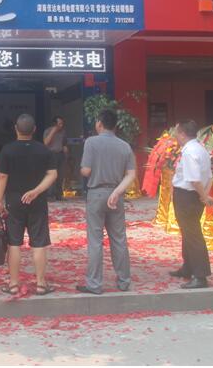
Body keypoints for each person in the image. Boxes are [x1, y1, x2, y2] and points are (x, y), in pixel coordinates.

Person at [0, 114, 57, 296]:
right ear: (34, 130)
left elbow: (2, 176)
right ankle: (41, 284)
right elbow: (52, 174)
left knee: (14, 243)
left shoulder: (8, 150)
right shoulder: (44, 150)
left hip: (14, 202)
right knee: (39, 243)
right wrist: (36, 191)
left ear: (16, 129)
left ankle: (13, 284)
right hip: (38, 202)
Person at [77, 109, 136, 295]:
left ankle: (94, 284)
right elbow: (131, 174)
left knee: (95, 240)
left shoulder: (91, 142)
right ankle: (124, 281)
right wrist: (117, 192)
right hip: (116, 195)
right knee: (119, 239)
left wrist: (82, 169)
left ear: (100, 124)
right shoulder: (125, 146)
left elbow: (86, 171)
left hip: (96, 194)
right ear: (115, 125)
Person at [170, 119, 213, 289]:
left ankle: (200, 275)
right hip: (194, 196)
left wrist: (204, 196)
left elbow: (194, 179)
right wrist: (204, 195)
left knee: (193, 234)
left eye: (176, 133)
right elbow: (209, 176)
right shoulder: (201, 149)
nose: (175, 136)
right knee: (188, 232)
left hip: (187, 196)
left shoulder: (189, 151)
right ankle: (188, 267)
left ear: (182, 134)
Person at [44, 116, 68, 200]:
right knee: (52, 175)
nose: (61, 125)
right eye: (59, 123)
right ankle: (50, 195)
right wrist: (53, 131)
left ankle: (59, 195)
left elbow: (64, 143)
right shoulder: (47, 131)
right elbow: (46, 143)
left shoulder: (63, 132)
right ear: (54, 124)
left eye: (62, 123)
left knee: (60, 175)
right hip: (51, 154)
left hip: (60, 154)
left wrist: (65, 149)